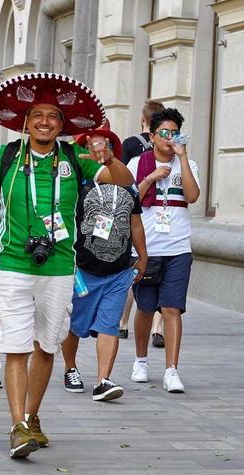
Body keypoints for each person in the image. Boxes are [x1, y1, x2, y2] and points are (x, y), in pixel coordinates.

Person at [0, 72, 134, 458]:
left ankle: (33, 416)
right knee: (14, 346)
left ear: (62, 125)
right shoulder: (7, 157)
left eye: (53, 116)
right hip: (12, 263)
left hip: (60, 268)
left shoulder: (76, 159)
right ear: (25, 122)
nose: (44, 122)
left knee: (46, 346)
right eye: (37, 115)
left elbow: (123, 181)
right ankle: (18, 426)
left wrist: (109, 159)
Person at [61, 122, 147, 402]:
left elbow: (135, 221)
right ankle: (71, 368)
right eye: (91, 144)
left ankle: (103, 381)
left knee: (109, 325)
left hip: (118, 270)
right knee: (75, 324)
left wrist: (142, 256)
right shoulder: (75, 178)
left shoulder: (122, 177)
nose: (97, 148)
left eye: (104, 143)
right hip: (82, 269)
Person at [128, 107, 200, 393]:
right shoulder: (137, 162)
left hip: (178, 247)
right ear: (152, 135)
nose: (170, 138)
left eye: (175, 133)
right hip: (145, 248)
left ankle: (171, 370)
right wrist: (151, 177)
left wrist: (182, 157)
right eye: (165, 133)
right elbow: (130, 199)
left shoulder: (188, 164)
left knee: (172, 308)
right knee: (145, 308)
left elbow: (192, 197)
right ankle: (141, 361)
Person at [119, 99, 165, 341]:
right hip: (165, 216)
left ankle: (124, 322)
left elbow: (122, 178)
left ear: (142, 118)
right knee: (162, 274)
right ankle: (157, 328)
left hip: (138, 216)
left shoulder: (130, 144)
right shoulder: (168, 147)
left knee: (133, 268)